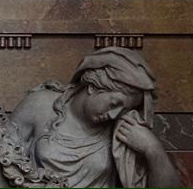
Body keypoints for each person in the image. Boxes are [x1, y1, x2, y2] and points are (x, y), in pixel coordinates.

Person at [9, 47, 181, 187]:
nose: (114, 114)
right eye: (114, 103)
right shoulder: (40, 105)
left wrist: (152, 149)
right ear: (93, 86)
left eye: (123, 109)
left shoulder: (122, 128)